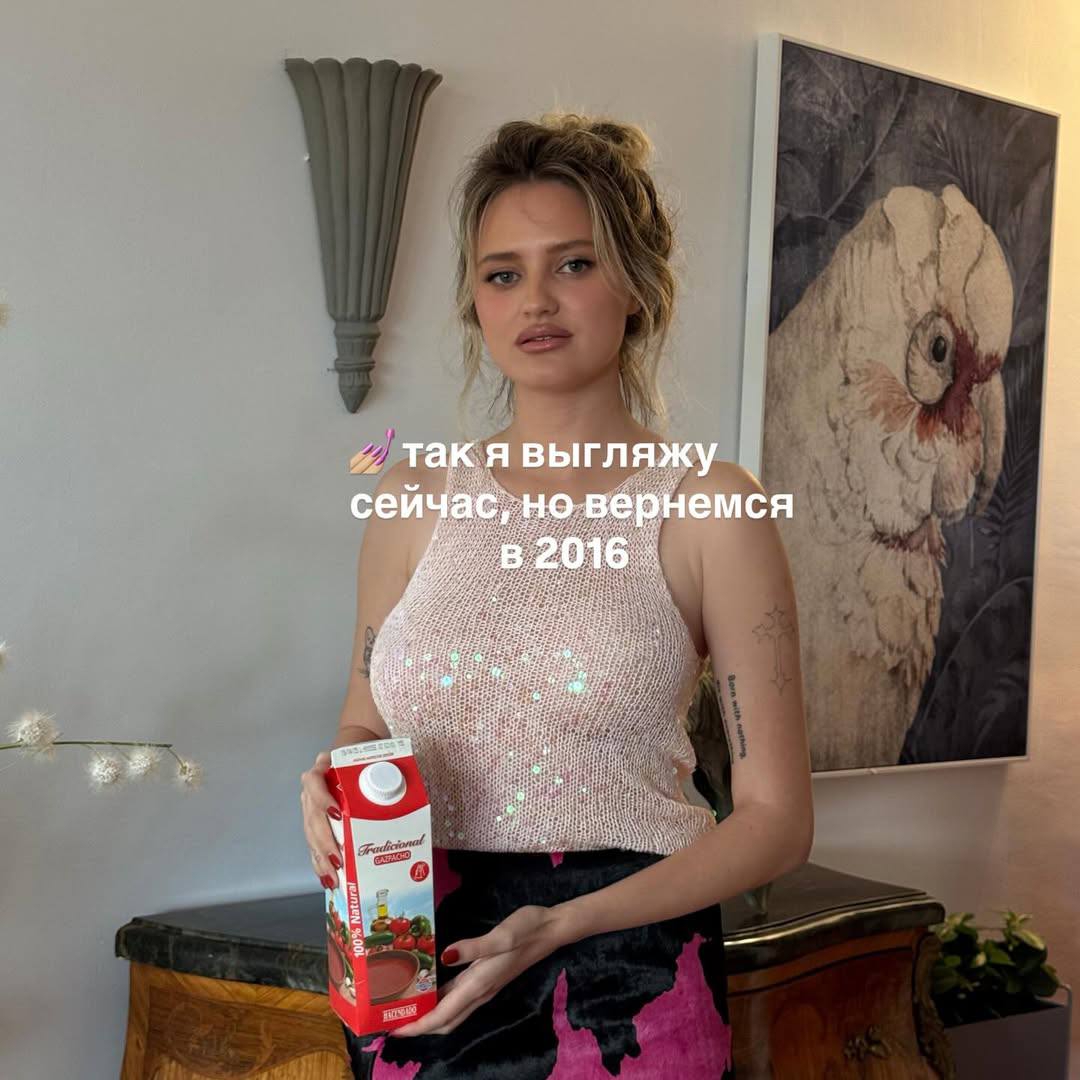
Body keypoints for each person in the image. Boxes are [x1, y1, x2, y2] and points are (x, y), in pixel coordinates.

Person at [300, 110, 814, 1079]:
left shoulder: (710, 508)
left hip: (629, 978)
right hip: (416, 963)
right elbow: (365, 719)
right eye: (503, 274)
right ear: (475, 302)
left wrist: (564, 923)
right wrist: (334, 778)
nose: (535, 298)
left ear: (638, 286)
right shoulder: (413, 499)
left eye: (574, 264)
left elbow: (777, 821)